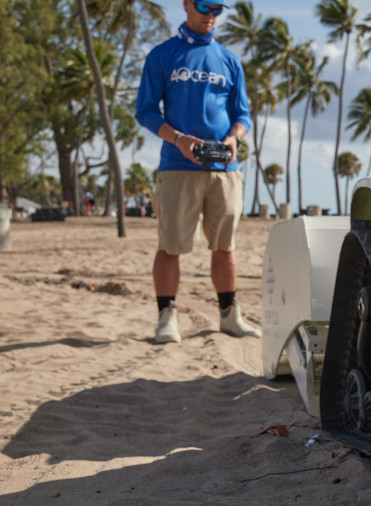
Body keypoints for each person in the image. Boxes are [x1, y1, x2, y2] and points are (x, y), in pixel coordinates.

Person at [135, 0, 260, 344]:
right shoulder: (163, 55)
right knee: (170, 245)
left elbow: (243, 115)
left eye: (218, 9)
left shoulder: (230, 61)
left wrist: (235, 138)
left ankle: (230, 316)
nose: (210, 16)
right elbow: (145, 111)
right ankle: (166, 318)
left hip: (225, 169)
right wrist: (178, 139)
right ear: (187, 4)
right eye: (205, 7)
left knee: (225, 246)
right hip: (177, 168)